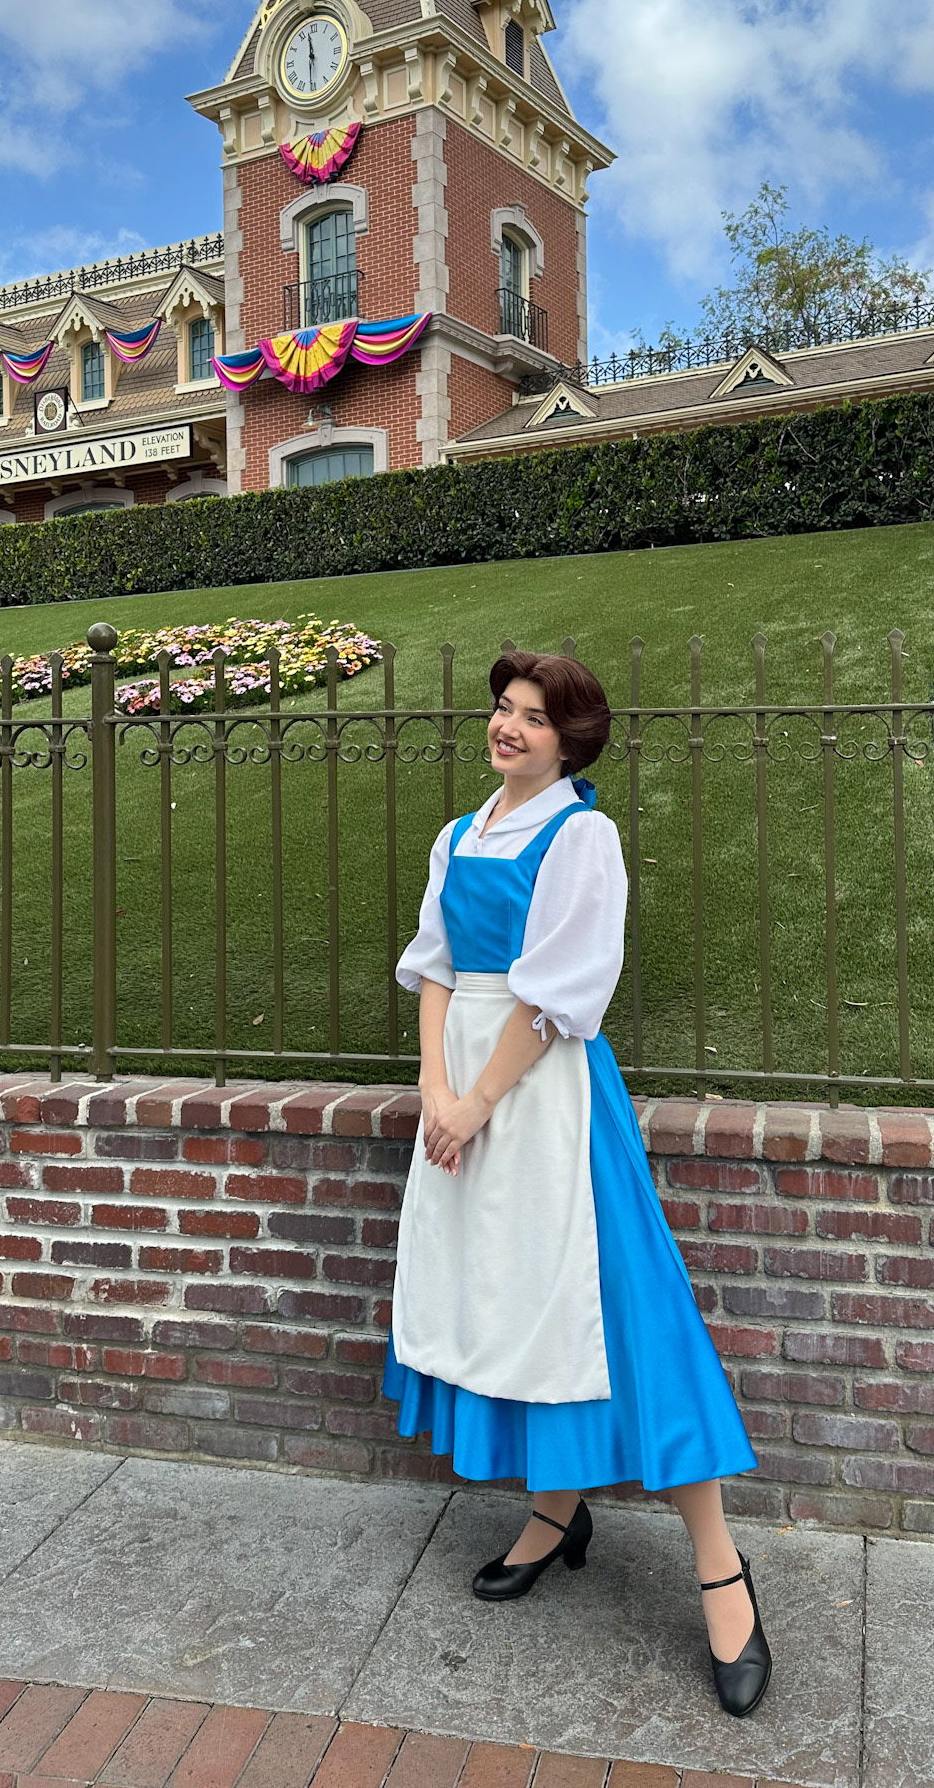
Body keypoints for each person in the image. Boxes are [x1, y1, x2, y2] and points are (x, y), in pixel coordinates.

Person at [382, 649, 772, 1719]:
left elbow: (558, 994)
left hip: (544, 1095)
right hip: (464, 1094)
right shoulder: (458, 835)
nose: (508, 727)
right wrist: (435, 1088)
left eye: (534, 717)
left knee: (620, 1312)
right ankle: (557, 1511)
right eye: (504, 709)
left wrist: (478, 1099)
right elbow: (437, 966)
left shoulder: (581, 837)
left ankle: (721, 1571)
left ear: (570, 741)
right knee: (514, 1304)